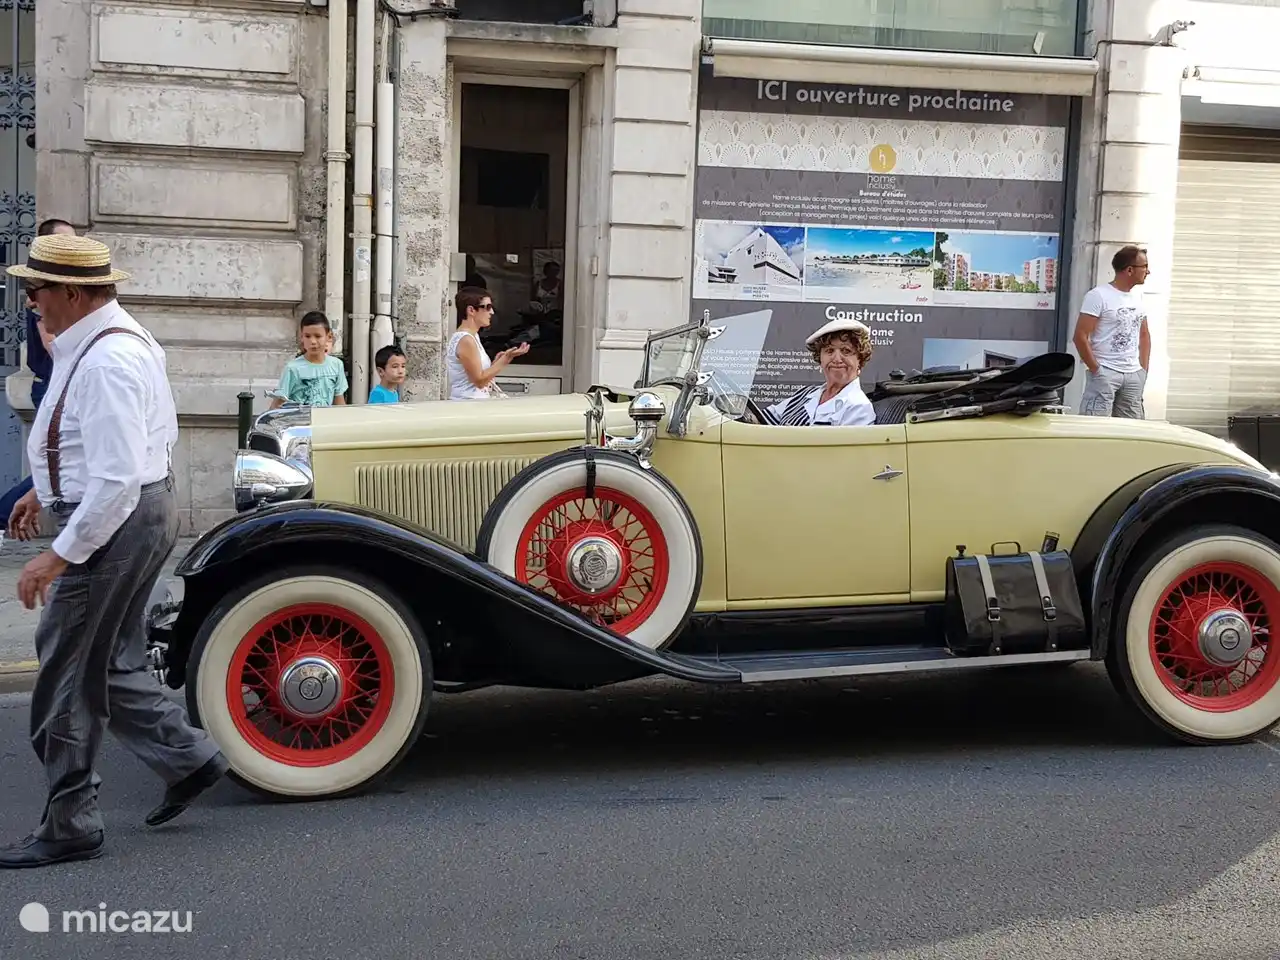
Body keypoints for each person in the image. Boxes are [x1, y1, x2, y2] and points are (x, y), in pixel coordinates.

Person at [0, 234, 227, 869]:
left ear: (71, 293)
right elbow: (91, 448)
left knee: (65, 675)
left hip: (114, 522)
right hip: (129, 515)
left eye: (36, 289)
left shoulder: (106, 359)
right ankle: (190, 758)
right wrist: (44, 494)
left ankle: (71, 821)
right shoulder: (104, 341)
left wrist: (61, 553)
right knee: (108, 663)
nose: (30, 301)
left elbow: (116, 477)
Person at [0, 219, 79, 522]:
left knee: (60, 464)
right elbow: (54, 346)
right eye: (63, 241)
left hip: (59, 383)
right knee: (58, 464)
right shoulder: (44, 293)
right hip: (53, 385)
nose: (71, 246)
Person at [1073, 245, 1151, 418]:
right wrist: (1097, 370)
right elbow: (1080, 336)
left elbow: (1144, 335)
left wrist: (1143, 371)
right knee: (1096, 431)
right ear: (1129, 270)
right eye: (1144, 266)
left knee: (1131, 433)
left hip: (1133, 374)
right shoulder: (1098, 295)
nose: (1148, 271)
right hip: (1105, 372)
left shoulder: (1138, 297)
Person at [767, 317, 876, 426]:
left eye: (846, 351)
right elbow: (762, 419)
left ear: (860, 359)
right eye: (829, 351)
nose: (837, 359)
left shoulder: (859, 408)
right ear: (820, 358)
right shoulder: (804, 394)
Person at [446, 286, 529, 400]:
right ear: (471, 310)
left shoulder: (471, 336)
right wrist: (505, 360)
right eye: (488, 307)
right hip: (468, 405)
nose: (492, 312)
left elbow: (478, 375)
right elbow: (479, 381)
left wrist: (497, 362)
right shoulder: (466, 340)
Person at [269, 311, 349, 408]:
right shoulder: (293, 368)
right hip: (300, 421)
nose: (313, 341)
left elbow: (339, 403)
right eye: (307, 336)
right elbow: (277, 405)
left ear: (329, 337)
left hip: (325, 421)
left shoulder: (336, 365)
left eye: (318, 336)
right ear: (302, 337)